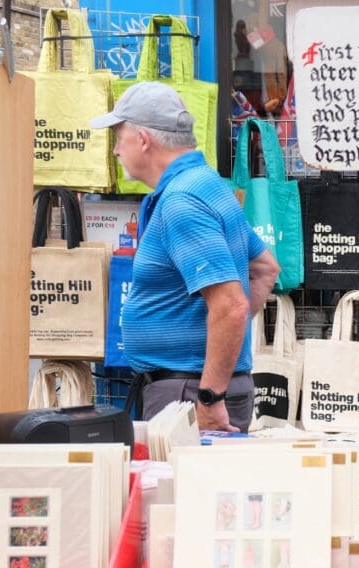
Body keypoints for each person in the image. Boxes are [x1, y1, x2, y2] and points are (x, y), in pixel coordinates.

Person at [90, 82, 280, 432]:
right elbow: (264, 268)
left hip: (189, 394)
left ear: (144, 140)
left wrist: (210, 396)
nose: (116, 150)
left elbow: (231, 307)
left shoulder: (182, 202)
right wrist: (223, 349)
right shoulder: (206, 184)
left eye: (119, 136)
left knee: (185, 488)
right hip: (195, 386)